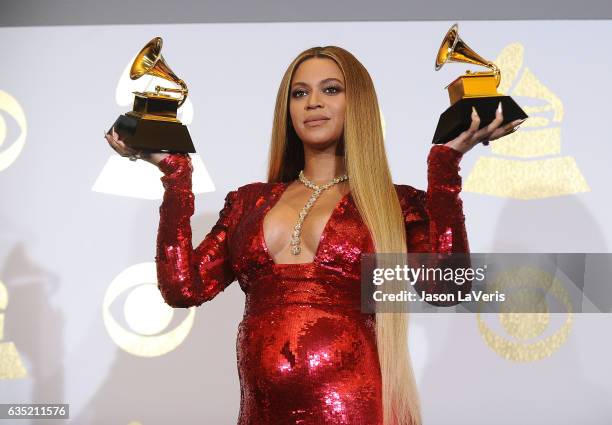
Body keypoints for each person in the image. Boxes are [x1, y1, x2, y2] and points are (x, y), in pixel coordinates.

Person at [106, 46, 523, 425]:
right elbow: (183, 287)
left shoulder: (393, 205)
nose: (314, 103)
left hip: (357, 411)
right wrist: (176, 178)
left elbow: (447, 287)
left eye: (331, 89)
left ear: (357, 103)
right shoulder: (249, 203)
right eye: (299, 93)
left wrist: (445, 168)